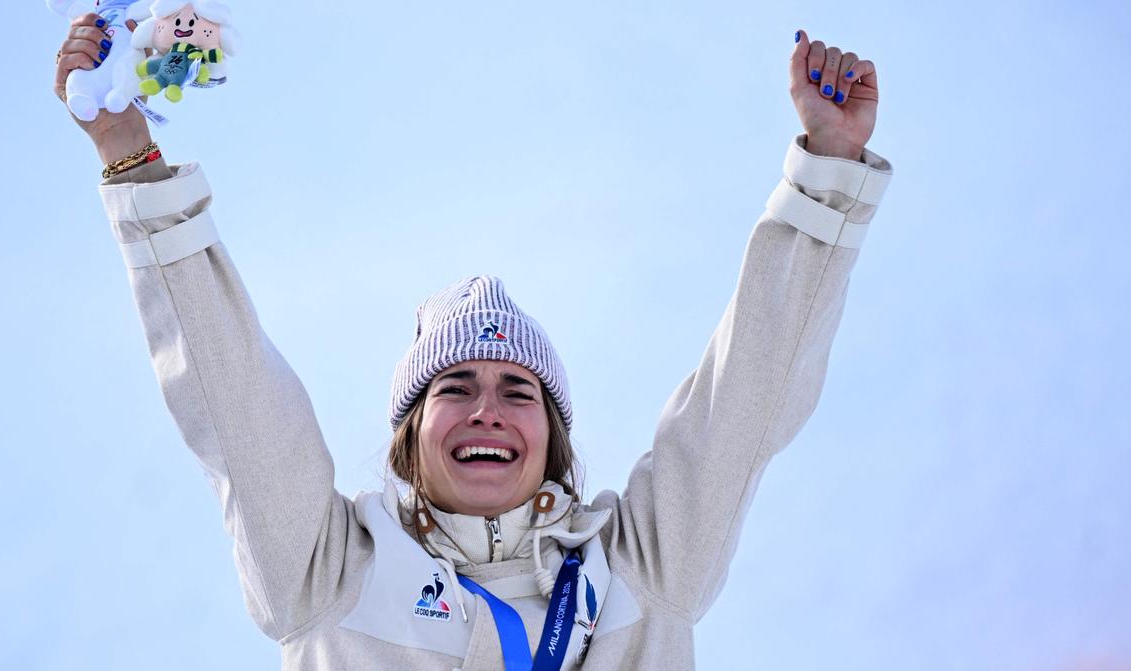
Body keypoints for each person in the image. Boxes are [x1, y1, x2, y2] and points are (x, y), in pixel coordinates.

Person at [56, 15, 893, 670]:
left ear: (552, 440)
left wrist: (827, 171)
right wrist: (132, 161)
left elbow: (745, 395)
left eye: (518, 390)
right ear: (410, 437)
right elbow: (234, 397)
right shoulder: (329, 571)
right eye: (453, 386)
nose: (487, 408)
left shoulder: (638, 568)